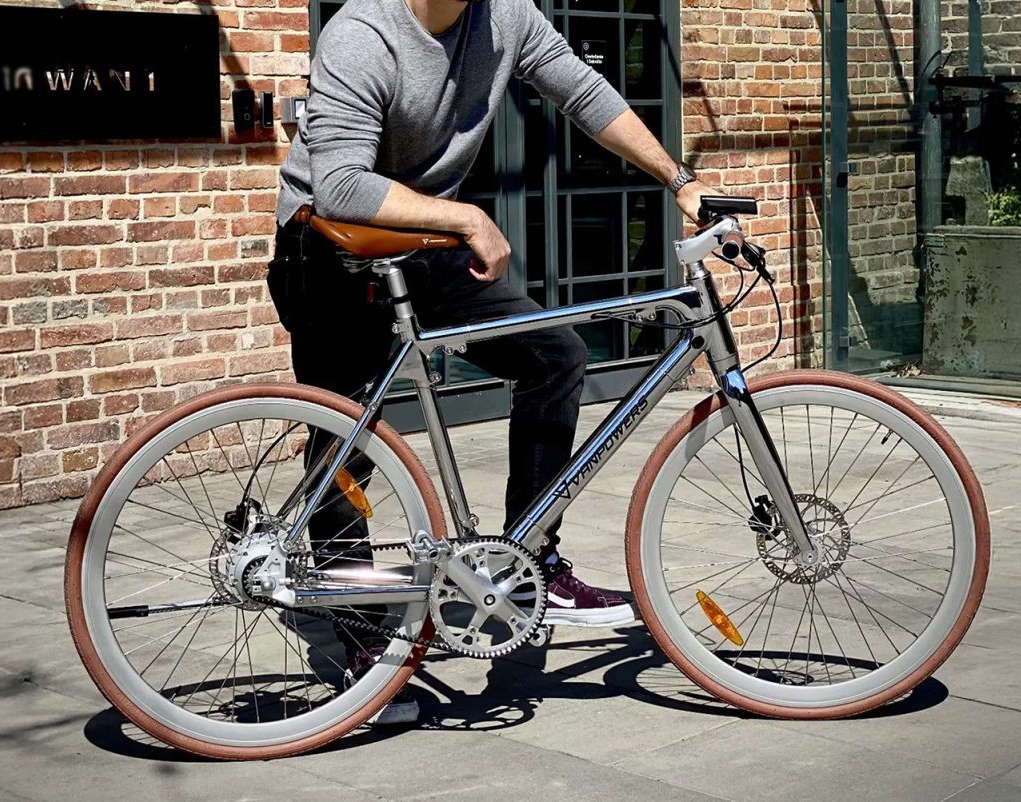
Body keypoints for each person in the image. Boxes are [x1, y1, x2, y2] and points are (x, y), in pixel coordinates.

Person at [266, 0, 723, 724]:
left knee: (554, 355)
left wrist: (678, 180)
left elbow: (585, 93)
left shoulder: (505, 15)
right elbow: (341, 186)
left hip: (421, 241)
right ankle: (359, 644)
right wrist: (469, 216)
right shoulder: (362, 32)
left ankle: (529, 564)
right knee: (348, 439)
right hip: (327, 248)